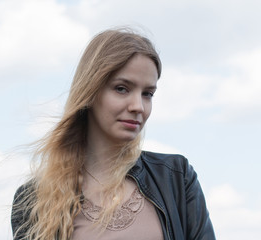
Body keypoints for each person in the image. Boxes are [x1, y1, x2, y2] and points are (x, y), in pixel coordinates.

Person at [11, 28, 216, 240]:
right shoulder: (34, 199)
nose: (138, 106)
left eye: (147, 94)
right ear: (90, 91)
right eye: (121, 88)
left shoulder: (176, 177)